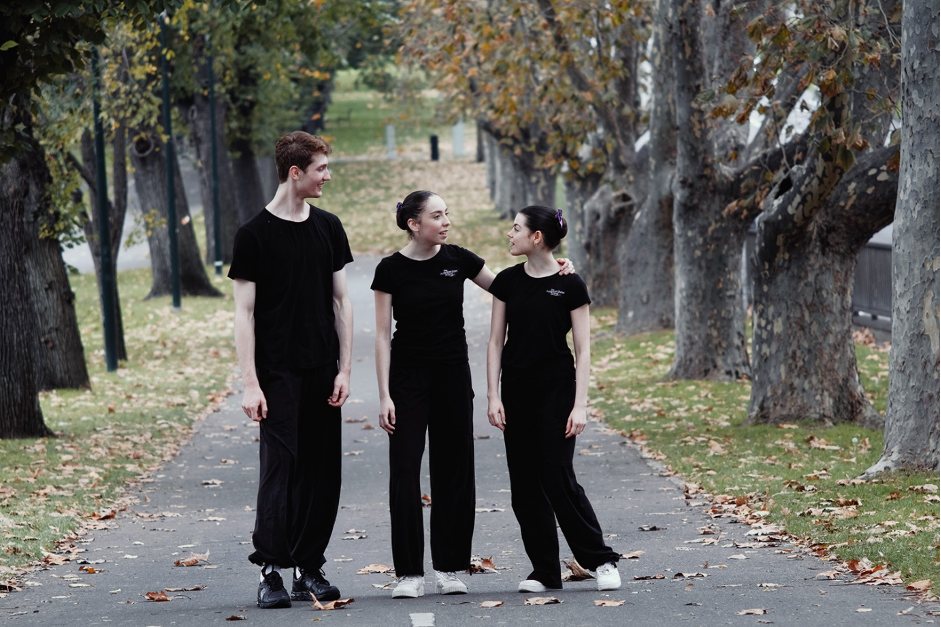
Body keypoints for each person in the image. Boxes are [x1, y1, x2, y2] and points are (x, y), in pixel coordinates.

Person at [371, 191, 573, 599]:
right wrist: (384, 395)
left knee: (454, 470)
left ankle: (449, 567)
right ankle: (409, 573)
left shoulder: (458, 259)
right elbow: (380, 336)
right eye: (437, 215)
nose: (446, 222)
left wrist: (556, 268)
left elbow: (514, 288)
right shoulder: (390, 269)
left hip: (451, 376)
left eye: (448, 213)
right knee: (406, 471)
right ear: (414, 223)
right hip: (407, 379)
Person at [228, 131, 353, 609]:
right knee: (280, 470)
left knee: (322, 473)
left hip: (323, 368)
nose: (328, 175)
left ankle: (309, 567)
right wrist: (250, 383)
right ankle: (271, 570)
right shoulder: (254, 234)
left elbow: (342, 302)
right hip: (276, 373)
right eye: (321, 168)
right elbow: (244, 314)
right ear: (295, 172)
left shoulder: (329, 226)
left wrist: (343, 369)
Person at [486, 205, 621, 593]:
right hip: (515, 392)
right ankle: (544, 571)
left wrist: (580, 405)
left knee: (557, 477)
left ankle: (601, 559)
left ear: (537, 237)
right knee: (524, 485)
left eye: (516, 228)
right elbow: (496, 342)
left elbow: (583, 349)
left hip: (557, 391)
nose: (509, 234)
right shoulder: (507, 282)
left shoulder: (571, 284)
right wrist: (494, 396)